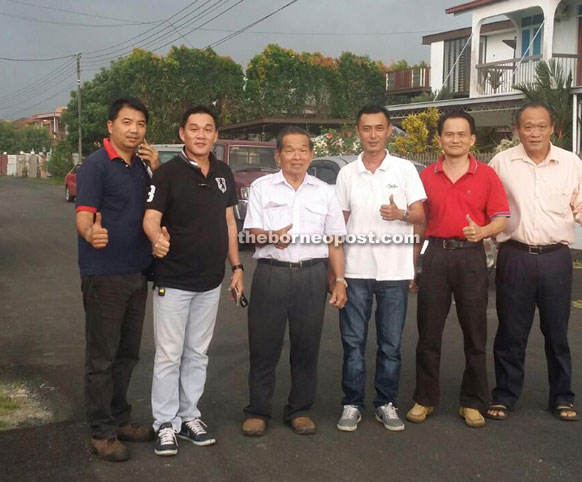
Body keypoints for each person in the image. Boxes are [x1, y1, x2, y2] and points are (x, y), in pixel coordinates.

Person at [486, 102, 582, 422]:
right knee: (510, 332)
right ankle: (505, 395)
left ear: (553, 128)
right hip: (514, 256)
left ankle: (562, 396)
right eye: (528, 126)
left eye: (541, 126)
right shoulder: (502, 163)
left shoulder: (571, 163)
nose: (534, 132)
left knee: (557, 332)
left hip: (556, 259)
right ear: (517, 130)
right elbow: (490, 205)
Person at [143, 106, 244, 456]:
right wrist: (156, 238)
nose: (201, 134)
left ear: (215, 135)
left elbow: (230, 223)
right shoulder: (167, 174)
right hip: (173, 280)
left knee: (197, 353)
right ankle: (165, 424)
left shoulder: (223, 173)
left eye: (208, 129)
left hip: (211, 281)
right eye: (194, 128)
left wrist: (237, 269)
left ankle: (189, 416)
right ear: (181, 133)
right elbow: (151, 217)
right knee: (170, 355)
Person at [240, 126, 348, 437]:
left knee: (306, 346)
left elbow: (335, 242)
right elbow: (251, 232)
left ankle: (300, 410)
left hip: (312, 276)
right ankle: (258, 411)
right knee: (263, 347)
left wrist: (339, 279)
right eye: (290, 150)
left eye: (303, 149)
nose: (297, 156)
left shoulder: (325, 191)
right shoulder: (262, 188)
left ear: (311, 155)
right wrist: (272, 236)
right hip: (271, 273)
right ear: (278, 155)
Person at [406, 111, 510, 429]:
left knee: (475, 334)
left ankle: (473, 401)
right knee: (428, 334)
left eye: (461, 134)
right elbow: (419, 224)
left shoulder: (487, 175)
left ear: (472, 139)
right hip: (436, 256)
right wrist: (412, 266)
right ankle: (425, 398)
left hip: (471, 258)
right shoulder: (425, 177)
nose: (455, 139)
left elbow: (501, 217)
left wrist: (483, 231)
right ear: (439, 139)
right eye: (449, 134)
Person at [75, 97, 160, 462]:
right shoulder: (96, 165)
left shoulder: (140, 167)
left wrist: (156, 168)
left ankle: (120, 418)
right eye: (127, 122)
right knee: (102, 357)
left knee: (127, 354)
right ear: (111, 126)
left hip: (136, 272)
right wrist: (89, 233)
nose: (134, 130)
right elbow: (84, 214)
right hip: (104, 275)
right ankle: (101, 431)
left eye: (140, 123)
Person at [335, 105, 427, 432]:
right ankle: (352, 403)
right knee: (353, 342)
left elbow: (421, 215)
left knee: (390, 344)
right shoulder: (347, 173)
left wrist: (401, 214)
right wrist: (337, 275)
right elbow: (339, 225)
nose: (372, 135)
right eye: (366, 128)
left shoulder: (403, 170)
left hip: (395, 271)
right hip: (356, 270)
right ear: (357, 131)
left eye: (379, 128)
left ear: (389, 131)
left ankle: (386, 403)